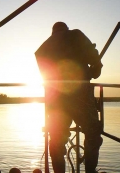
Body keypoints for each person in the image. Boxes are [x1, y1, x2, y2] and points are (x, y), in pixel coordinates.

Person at [35, 22, 104, 173]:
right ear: (66, 28)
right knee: (93, 133)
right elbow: (96, 65)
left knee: (57, 141)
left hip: (55, 99)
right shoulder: (76, 35)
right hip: (80, 94)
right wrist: (93, 70)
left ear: (53, 32)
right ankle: (90, 171)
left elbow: (47, 77)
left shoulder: (42, 49)